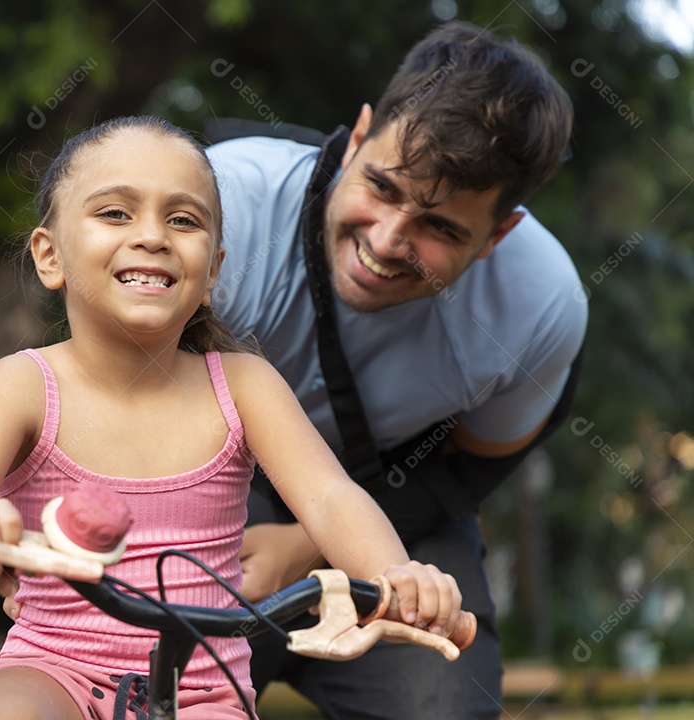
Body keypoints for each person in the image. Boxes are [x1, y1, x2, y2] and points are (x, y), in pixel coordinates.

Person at [0, 115, 467, 720]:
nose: (152, 236)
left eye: (183, 219)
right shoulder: (22, 386)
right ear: (49, 255)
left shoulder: (243, 385)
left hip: (204, 689)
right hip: (51, 668)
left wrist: (397, 575)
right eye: (115, 213)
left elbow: (329, 498)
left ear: (213, 271)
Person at [205, 21, 586, 719]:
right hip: (210, 470)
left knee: (438, 700)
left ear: (501, 233)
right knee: (152, 674)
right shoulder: (222, 202)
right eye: (380, 187)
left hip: (395, 493)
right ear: (357, 137)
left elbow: (470, 469)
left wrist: (310, 547)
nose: (384, 243)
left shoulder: (542, 305)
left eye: (440, 229)